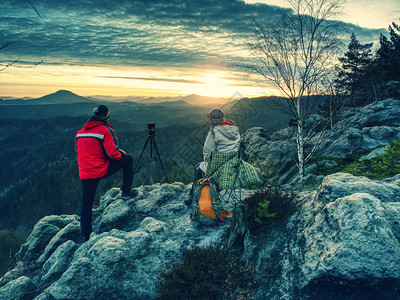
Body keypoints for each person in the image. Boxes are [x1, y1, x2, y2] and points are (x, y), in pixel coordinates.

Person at [75, 105, 137, 241]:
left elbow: (80, 152)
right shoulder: (105, 130)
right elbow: (113, 154)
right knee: (128, 159)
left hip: (85, 172)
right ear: (106, 116)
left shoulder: (79, 133)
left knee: (86, 203)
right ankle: (126, 192)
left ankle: (86, 234)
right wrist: (120, 154)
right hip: (100, 169)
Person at [186, 107, 240, 204]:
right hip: (233, 166)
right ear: (224, 118)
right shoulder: (234, 129)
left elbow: (207, 153)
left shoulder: (213, 133)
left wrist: (208, 162)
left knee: (198, 167)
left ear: (211, 120)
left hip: (219, 168)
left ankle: (193, 196)